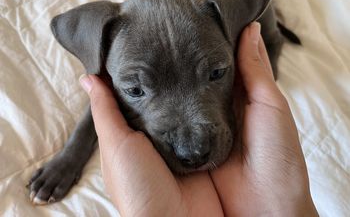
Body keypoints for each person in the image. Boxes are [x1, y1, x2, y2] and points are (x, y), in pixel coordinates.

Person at [79, 22, 318, 216]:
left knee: (259, 30)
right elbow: (105, 103)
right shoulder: (123, 35)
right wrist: (73, 153)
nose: (192, 149)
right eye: (136, 90)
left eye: (214, 73)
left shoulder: (214, 12)